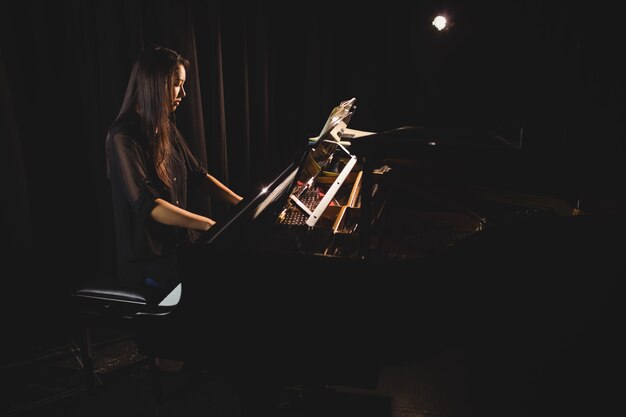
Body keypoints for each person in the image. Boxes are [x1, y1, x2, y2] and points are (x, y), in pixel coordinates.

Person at [105, 45, 242, 291]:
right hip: (148, 263)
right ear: (154, 84)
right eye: (177, 84)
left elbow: (199, 177)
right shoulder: (123, 137)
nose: (184, 93)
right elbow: (150, 207)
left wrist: (241, 203)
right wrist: (206, 224)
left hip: (179, 248)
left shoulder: (165, 126)